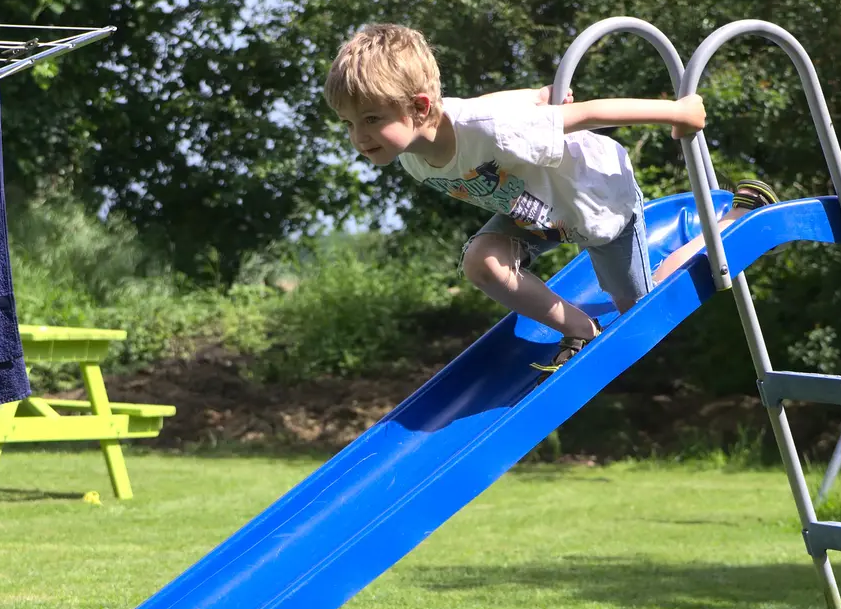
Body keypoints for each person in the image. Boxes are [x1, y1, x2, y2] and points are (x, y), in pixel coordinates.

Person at [325, 23, 776, 371]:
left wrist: (676, 111)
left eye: (370, 119)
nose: (359, 136)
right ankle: (580, 329)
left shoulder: (485, 131)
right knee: (481, 262)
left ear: (420, 107)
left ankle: (733, 220)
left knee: (643, 312)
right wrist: (532, 96)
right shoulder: (414, 151)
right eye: (349, 123)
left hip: (595, 201)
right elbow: (482, 103)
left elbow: (588, 113)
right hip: (534, 213)